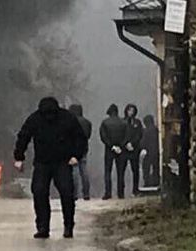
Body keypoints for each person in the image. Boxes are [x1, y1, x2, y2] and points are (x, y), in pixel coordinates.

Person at [14, 97, 89, 239]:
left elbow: (80, 138)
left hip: (62, 162)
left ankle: (67, 225)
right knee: (40, 192)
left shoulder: (66, 118)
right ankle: (43, 227)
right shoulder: (36, 119)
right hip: (43, 162)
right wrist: (19, 156)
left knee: (66, 193)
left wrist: (76, 155)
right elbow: (24, 136)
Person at [99, 104, 129, 199]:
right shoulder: (123, 123)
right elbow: (127, 136)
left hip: (109, 150)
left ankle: (108, 193)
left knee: (108, 171)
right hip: (121, 150)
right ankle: (121, 193)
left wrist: (112, 146)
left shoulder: (105, 123)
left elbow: (103, 137)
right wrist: (120, 146)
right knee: (120, 172)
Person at [68, 104, 93, 201]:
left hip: (72, 149)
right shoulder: (87, 123)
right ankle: (86, 193)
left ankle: (75, 194)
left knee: (74, 172)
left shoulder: (69, 122)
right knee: (84, 171)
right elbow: (88, 136)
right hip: (84, 149)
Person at [123, 103, 144, 196]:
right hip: (124, 149)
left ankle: (135, 190)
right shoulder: (122, 122)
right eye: (129, 110)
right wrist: (126, 143)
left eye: (132, 110)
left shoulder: (137, 122)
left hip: (135, 149)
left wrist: (132, 143)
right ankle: (121, 191)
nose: (130, 112)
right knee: (121, 170)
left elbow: (139, 134)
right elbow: (120, 135)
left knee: (135, 170)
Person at [142, 114, 161, 188]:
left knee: (146, 167)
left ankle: (147, 182)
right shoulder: (156, 130)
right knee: (156, 168)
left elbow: (143, 142)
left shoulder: (146, 131)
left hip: (149, 152)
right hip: (156, 152)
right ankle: (156, 181)